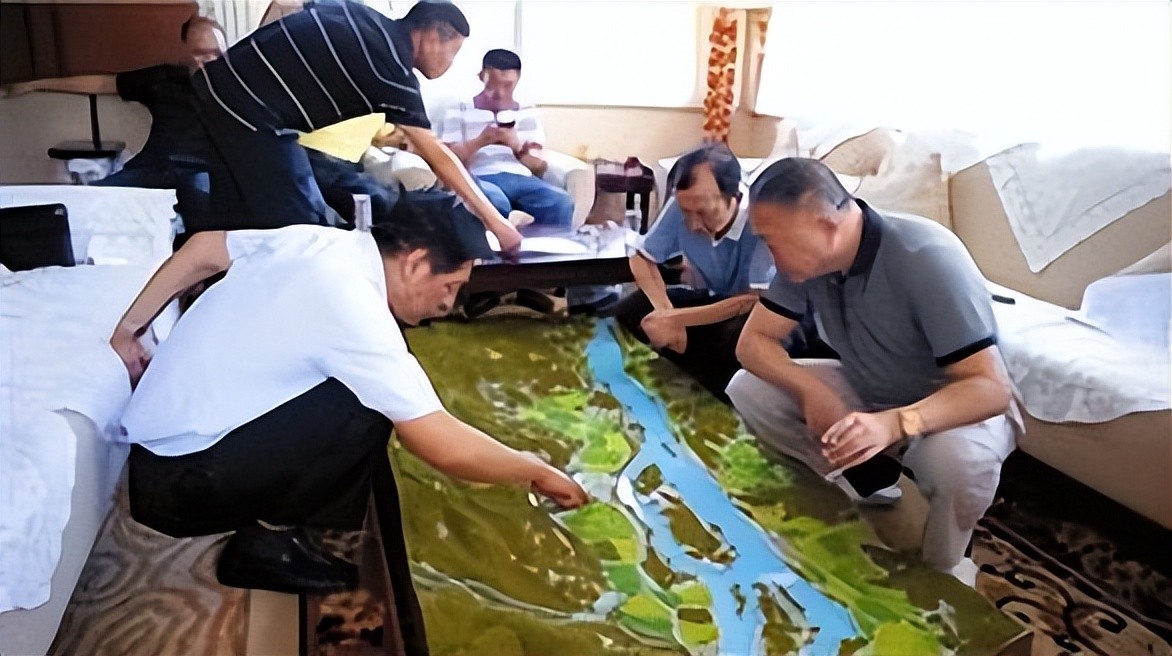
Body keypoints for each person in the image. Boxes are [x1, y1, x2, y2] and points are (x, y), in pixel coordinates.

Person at [108, 201, 587, 612]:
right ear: (416, 263)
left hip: (159, 454)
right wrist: (534, 470)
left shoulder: (319, 241)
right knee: (367, 408)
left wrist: (129, 328)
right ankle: (267, 545)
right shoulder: (353, 306)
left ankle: (283, 526)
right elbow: (438, 441)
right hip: (178, 489)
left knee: (367, 387)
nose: (448, 302)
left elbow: (203, 248)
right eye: (450, 286)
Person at [726, 157, 1020, 582]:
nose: (769, 255)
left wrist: (896, 423)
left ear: (827, 225)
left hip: (951, 408)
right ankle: (854, 486)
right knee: (750, 389)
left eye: (774, 241)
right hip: (871, 386)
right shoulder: (806, 261)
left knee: (953, 462)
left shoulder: (927, 257)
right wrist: (811, 390)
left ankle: (946, 565)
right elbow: (752, 343)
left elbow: (990, 389)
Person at [190, 0, 523, 253]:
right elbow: (437, 156)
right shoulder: (393, 71)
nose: (450, 63)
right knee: (303, 230)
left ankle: (214, 291)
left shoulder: (358, 14)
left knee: (239, 220)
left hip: (217, 92)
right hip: (248, 113)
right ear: (433, 37)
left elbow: (289, 6)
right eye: (453, 53)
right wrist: (497, 224)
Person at [612, 144, 822, 402]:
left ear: (735, 197)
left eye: (704, 212)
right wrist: (664, 310)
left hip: (764, 311)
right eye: (686, 212)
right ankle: (693, 363)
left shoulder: (761, 218)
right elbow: (642, 259)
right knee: (631, 309)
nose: (692, 223)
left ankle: (706, 376)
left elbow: (754, 299)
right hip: (718, 300)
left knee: (739, 342)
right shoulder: (686, 202)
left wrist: (679, 319)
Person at [5, 16, 227, 236]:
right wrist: (35, 85)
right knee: (86, 204)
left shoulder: (235, 89)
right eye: (200, 53)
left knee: (206, 219)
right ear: (184, 52)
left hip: (202, 172)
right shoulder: (164, 78)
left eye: (216, 54)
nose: (208, 61)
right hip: (152, 168)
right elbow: (104, 83)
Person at [435, 48, 573, 227]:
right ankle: (506, 236)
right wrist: (481, 141)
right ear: (482, 76)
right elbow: (447, 158)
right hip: (480, 176)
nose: (500, 93)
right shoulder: (459, 110)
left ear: (518, 79)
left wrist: (516, 146)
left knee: (561, 202)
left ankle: (541, 243)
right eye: (493, 85)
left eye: (507, 85)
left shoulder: (526, 112)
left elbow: (539, 167)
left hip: (521, 177)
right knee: (494, 200)